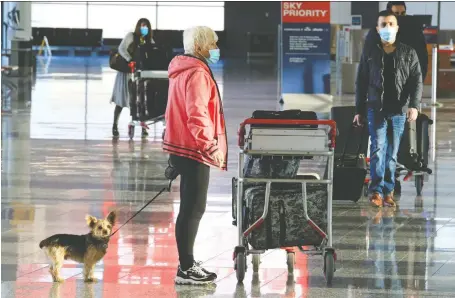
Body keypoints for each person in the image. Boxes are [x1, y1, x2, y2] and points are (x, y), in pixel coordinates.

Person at [162, 26, 227, 285]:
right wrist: (210, 147)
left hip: (180, 145)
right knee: (194, 208)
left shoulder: (182, 69)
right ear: (200, 46)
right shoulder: (197, 73)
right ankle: (186, 267)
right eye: (213, 42)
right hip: (195, 148)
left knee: (189, 208)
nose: (216, 47)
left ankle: (186, 263)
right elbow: (197, 114)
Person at [354, 10, 422, 207]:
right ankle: (375, 191)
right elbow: (361, 82)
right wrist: (359, 110)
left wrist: (414, 106)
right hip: (376, 108)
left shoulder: (408, 53)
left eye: (391, 24)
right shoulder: (370, 53)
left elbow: (416, 81)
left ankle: (389, 191)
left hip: (399, 111)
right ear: (377, 28)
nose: (387, 28)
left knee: (392, 154)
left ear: (397, 27)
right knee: (377, 150)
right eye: (383, 24)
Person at [110, 18, 154, 138]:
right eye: (142, 25)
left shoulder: (149, 40)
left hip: (140, 73)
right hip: (126, 72)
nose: (144, 28)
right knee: (121, 99)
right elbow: (121, 48)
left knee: (141, 101)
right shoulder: (131, 36)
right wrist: (130, 60)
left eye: (146, 26)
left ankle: (142, 127)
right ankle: (115, 125)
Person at [363, 2, 428, 79]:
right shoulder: (379, 31)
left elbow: (422, 57)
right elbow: (367, 58)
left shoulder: (413, 31)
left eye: (403, 14)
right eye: (396, 14)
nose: (400, 17)